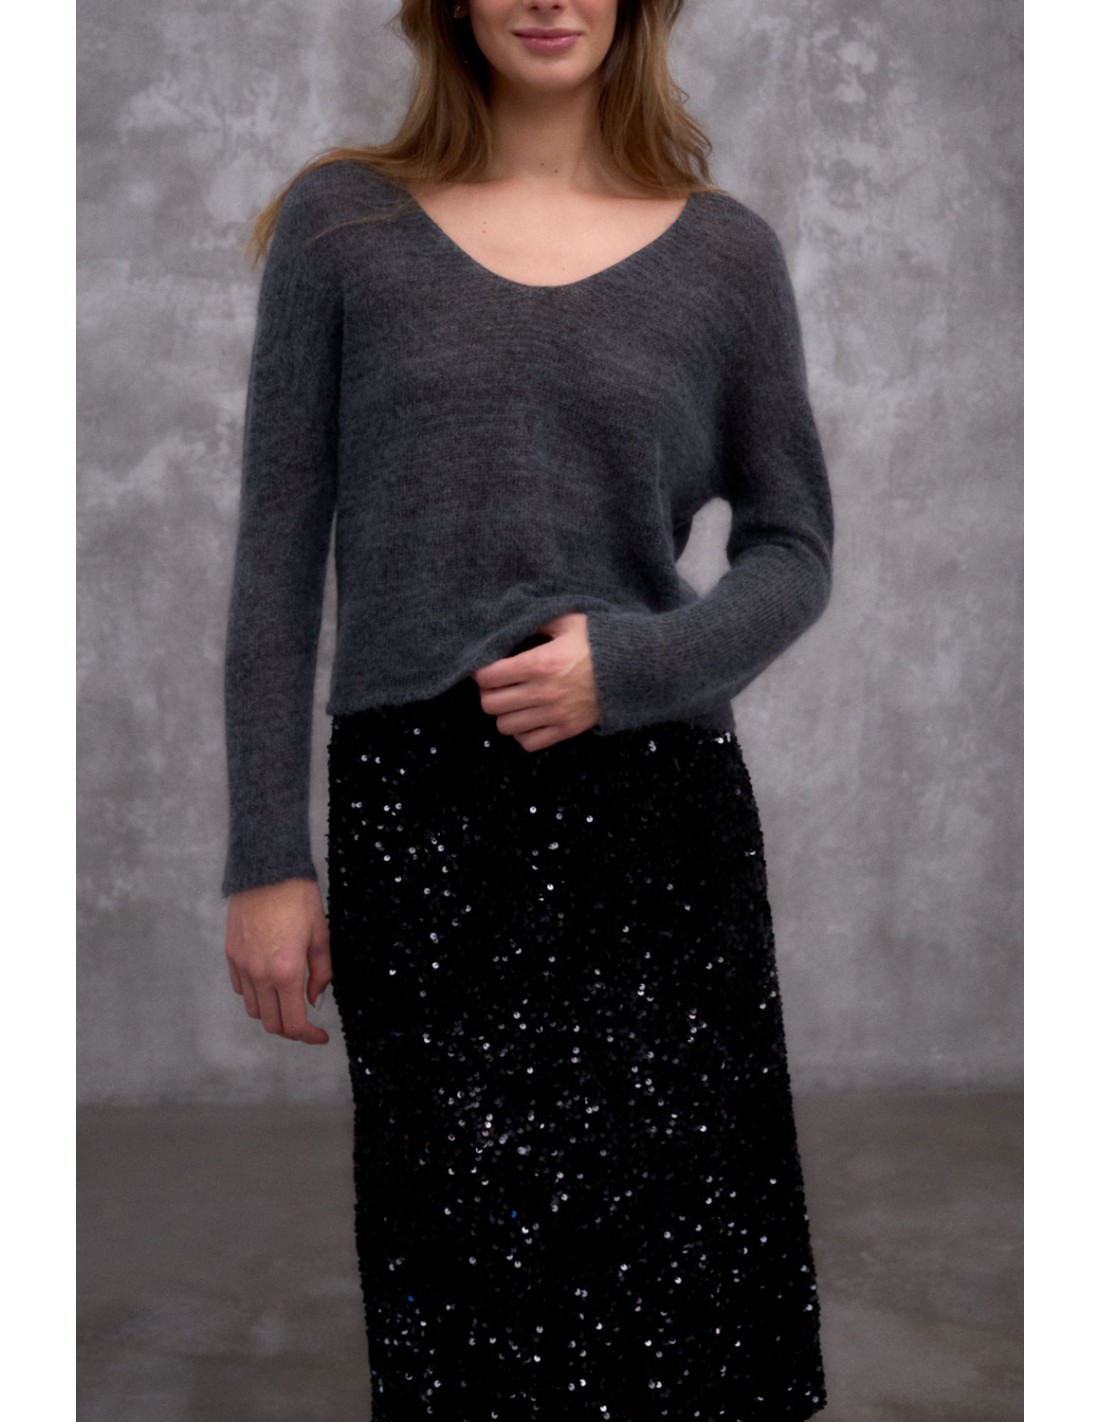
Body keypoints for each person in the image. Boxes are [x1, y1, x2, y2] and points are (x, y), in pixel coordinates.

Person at [222, 1, 832, 1417]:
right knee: (462, 1287)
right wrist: (266, 854)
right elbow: (277, 559)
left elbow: (795, 546)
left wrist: (637, 668)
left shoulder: (727, 256)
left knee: (683, 1292)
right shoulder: (342, 228)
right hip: (422, 830)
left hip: (656, 826)